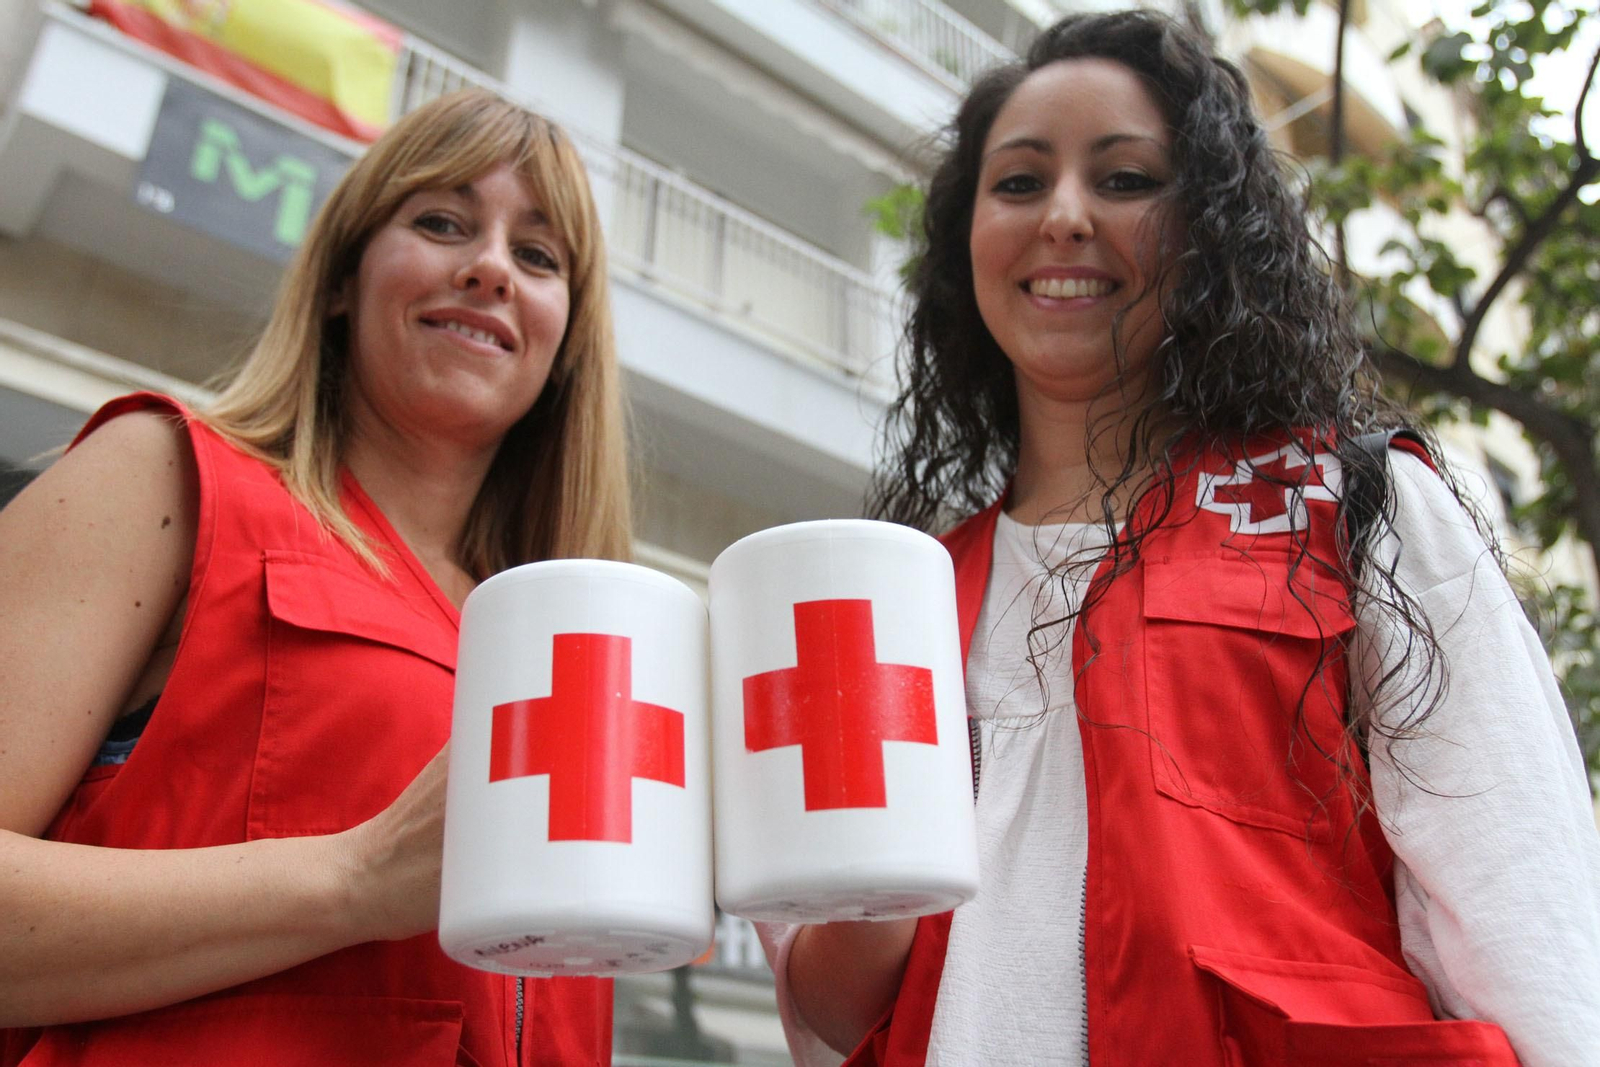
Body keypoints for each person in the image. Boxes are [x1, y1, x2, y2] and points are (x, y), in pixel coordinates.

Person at [762, 11, 1600, 1067]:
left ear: (1210, 228)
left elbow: (1530, 924)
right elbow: (832, 1021)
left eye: (1125, 180)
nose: (1063, 216)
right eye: (1018, 183)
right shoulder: (899, 599)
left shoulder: (1356, 509)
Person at [0, 89, 630, 1065]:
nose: (490, 267)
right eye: (441, 222)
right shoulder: (162, 476)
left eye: (538, 256)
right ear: (343, 278)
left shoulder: (568, 651)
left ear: (565, 344)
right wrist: (355, 874)